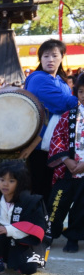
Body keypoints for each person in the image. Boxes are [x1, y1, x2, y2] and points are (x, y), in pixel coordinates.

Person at [24, 39, 77, 203]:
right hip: (39, 145)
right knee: (39, 189)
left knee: (52, 190)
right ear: (40, 59)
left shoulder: (61, 82)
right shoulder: (38, 78)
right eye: (46, 56)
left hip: (57, 146)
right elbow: (62, 102)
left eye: (55, 55)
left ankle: (46, 224)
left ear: (62, 57)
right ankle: (36, 225)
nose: (50, 60)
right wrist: (78, 100)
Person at [47, 74, 84, 253]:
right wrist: (67, 160)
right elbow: (57, 138)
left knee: (81, 207)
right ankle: (49, 233)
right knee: (57, 201)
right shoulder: (69, 115)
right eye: (81, 91)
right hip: (67, 170)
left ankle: (74, 237)